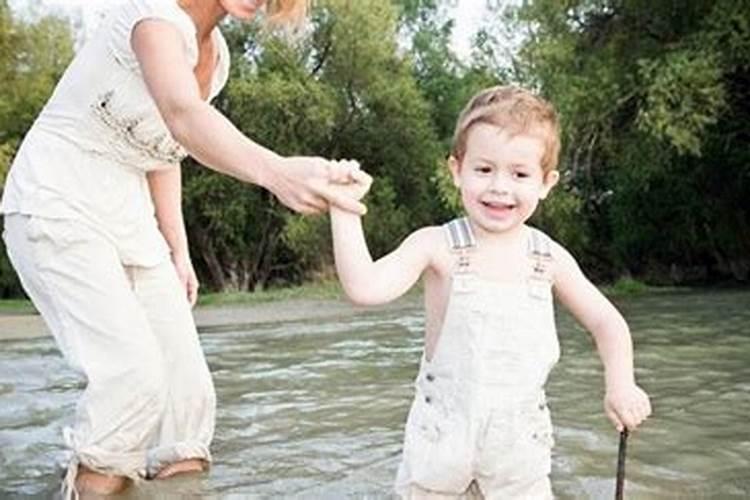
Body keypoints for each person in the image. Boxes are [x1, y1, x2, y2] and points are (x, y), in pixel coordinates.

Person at [0, 0, 368, 497]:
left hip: (130, 220)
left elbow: (164, 150)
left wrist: (177, 248)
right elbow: (181, 116)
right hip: (56, 203)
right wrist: (277, 172)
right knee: (132, 379)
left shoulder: (215, 57)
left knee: (186, 402)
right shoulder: (150, 15)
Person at [329, 85, 652, 499]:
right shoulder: (436, 245)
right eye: (484, 170)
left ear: (546, 183)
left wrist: (621, 383)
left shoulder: (548, 258)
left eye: (519, 174)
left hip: (519, 454)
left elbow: (606, 321)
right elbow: (364, 287)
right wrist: (344, 208)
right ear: (456, 170)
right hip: (441, 449)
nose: (500, 187)